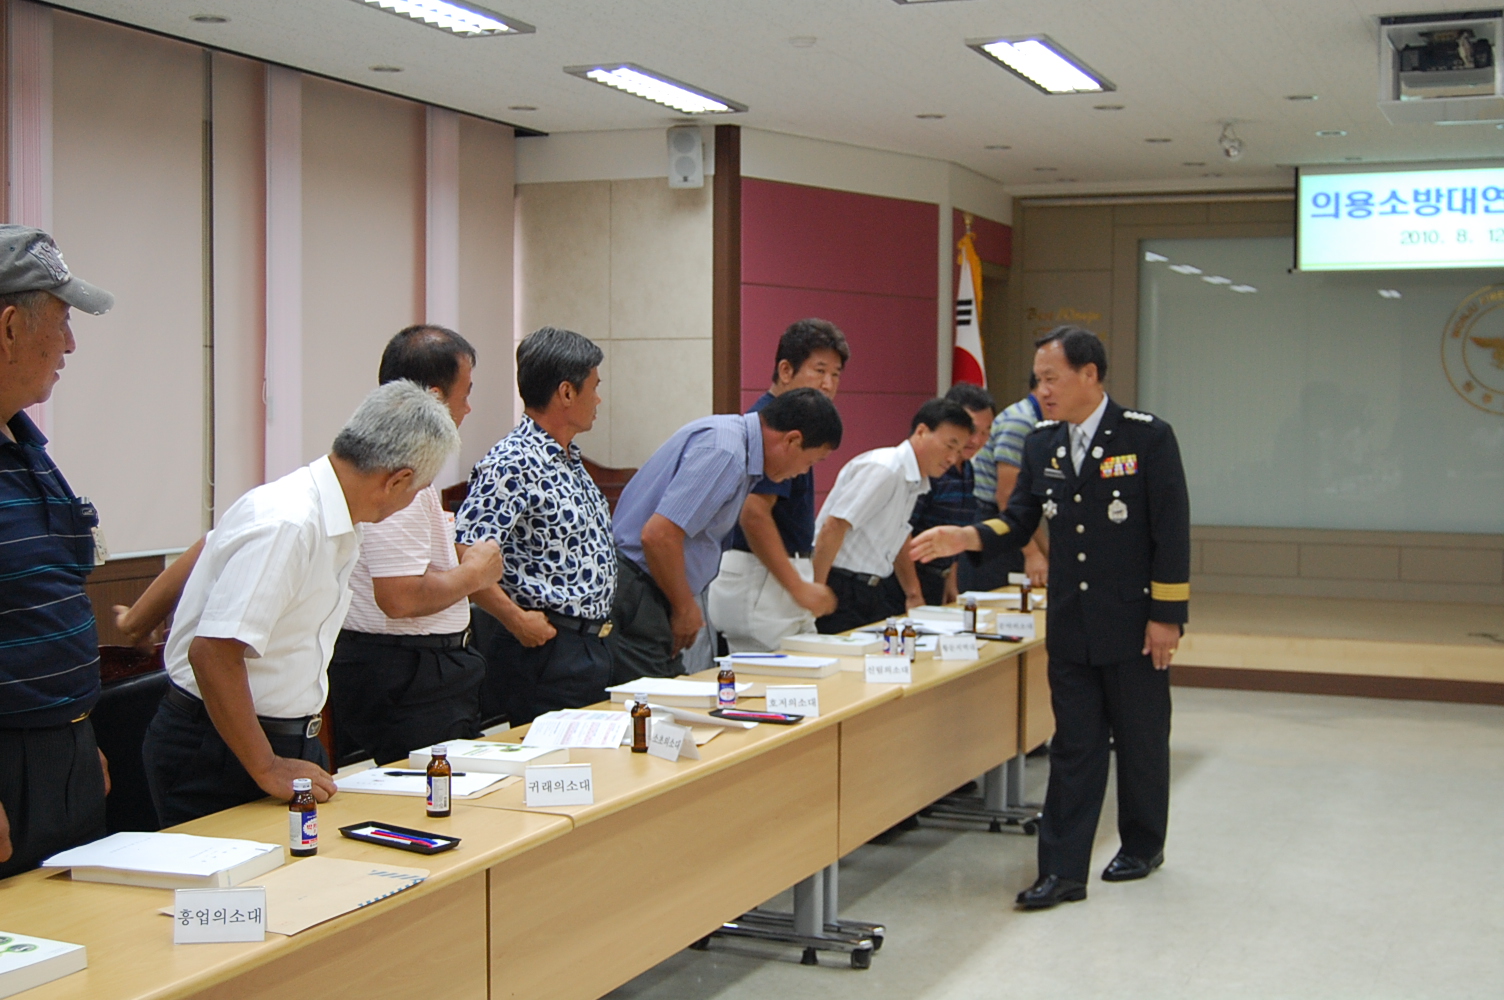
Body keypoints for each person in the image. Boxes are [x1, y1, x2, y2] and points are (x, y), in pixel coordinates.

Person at [910, 326, 1190, 911]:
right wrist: (965, 536)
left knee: (1140, 739)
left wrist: (1167, 616)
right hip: (1071, 621)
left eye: (1052, 378)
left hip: (1134, 622)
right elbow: (1018, 519)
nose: (1043, 390)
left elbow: (1171, 532)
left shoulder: (1146, 437)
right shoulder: (1042, 444)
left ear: (1090, 375)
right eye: (1038, 380)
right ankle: (1062, 871)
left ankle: (1143, 845)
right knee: (1074, 745)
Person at [141, 381, 462, 827]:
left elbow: (209, 548)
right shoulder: (290, 522)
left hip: (281, 740)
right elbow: (212, 653)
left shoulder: (338, 517)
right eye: (418, 490)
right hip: (221, 748)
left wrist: (137, 619)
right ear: (397, 480)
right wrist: (266, 765)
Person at [327, 326, 502, 766]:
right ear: (435, 398)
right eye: (465, 393)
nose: (468, 407)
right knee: (435, 796)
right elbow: (400, 597)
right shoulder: (393, 472)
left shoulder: (398, 462)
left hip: (418, 670)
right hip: (408, 675)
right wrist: (475, 573)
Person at [0, 226, 115, 878]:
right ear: (10, 327)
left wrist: (72, 736)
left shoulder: (27, 447)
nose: (71, 344)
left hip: (61, 750)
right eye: (62, 321)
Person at [608, 388, 842, 682]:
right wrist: (684, 606)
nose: (802, 473)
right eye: (811, 462)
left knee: (673, 692)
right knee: (659, 699)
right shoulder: (727, 452)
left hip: (651, 585)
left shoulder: (734, 442)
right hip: (640, 587)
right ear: (792, 440)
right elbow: (658, 535)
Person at [455, 326, 618, 725]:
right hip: (544, 648)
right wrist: (515, 619)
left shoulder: (568, 459)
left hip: (589, 646)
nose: (598, 398)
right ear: (566, 393)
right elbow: (465, 550)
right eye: (594, 387)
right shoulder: (513, 462)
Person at [709, 319, 847, 652]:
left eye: (836, 374)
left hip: (776, 576)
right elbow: (753, 513)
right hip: (762, 576)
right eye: (819, 371)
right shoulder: (772, 427)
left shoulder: (800, 423)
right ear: (785, 370)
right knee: (774, 679)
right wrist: (798, 587)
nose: (828, 384)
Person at [812, 398, 973, 635]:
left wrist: (913, 593)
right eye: (950, 445)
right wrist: (816, 589)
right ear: (922, 431)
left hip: (872, 590)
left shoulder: (915, 481)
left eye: (959, 451)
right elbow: (834, 526)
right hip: (840, 585)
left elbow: (897, 539)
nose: (952, 458)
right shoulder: (886, 468)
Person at [888, 382, 995, 609]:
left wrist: (950, 581)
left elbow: (955, 531)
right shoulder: (930, 469)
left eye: (986, 432)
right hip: (906, 580)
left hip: (939, 578)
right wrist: (913, 593)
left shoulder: (967, 469)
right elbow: (901, 533)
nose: (977, 440)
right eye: (973, 430)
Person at [963, 373, 1049, 593]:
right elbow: (1007, 497)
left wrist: (1047, 554)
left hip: (1013, 523)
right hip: (993, 521)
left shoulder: (1041, 422)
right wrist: (1033, 554)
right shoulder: (1020, 422)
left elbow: (1027, 509)